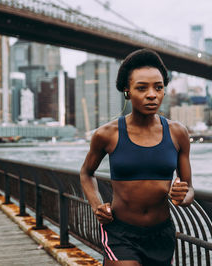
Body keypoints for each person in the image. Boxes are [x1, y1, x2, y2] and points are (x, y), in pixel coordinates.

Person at [80, 48, 194, 266]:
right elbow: (86, 173)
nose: (152, 94)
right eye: (142, 88)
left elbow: (189, 188)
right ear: (127, 91)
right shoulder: (107, 134)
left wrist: (183, 196)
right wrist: (97, 205)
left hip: (162, 234)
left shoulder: (178, 132)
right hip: (120, 233)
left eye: (158, 88)